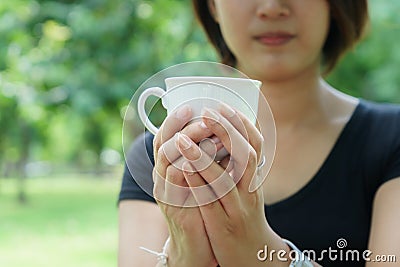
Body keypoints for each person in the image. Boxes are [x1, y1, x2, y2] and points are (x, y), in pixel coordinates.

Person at [118, 0, 400, 266]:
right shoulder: (157, 158)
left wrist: (259, 251)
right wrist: (181, 259)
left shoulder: (391, 140)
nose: (271, 7)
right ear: (213, 5)